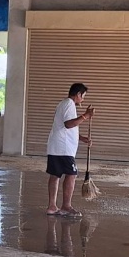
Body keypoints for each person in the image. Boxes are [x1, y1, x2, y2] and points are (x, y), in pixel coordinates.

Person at [46, 82, 94, 216]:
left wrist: (82, 138)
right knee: (71, 174)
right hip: (64, 149)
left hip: (56, 147)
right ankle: (66, 206)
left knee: (55, 175)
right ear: (78, 94)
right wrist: (85, 116)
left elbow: (66, 127)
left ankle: (52, 207)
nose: (83, 99)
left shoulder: (64, 104)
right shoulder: (69, 104)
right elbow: (68, 124)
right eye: (83, 96)